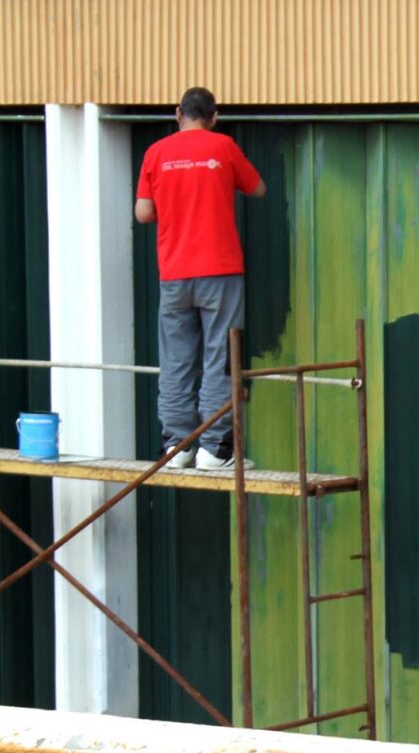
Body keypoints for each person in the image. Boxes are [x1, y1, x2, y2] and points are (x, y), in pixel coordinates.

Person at [134, 86, 266, 470]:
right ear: (214, 116)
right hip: (220, 270)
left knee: (175, 360)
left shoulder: (155, 153)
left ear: (178, 113)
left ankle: (177, 446)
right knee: (220, 357)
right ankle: (214, 448)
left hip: (174, 273)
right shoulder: (223, 146)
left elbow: (143, 212)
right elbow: (257, 188)